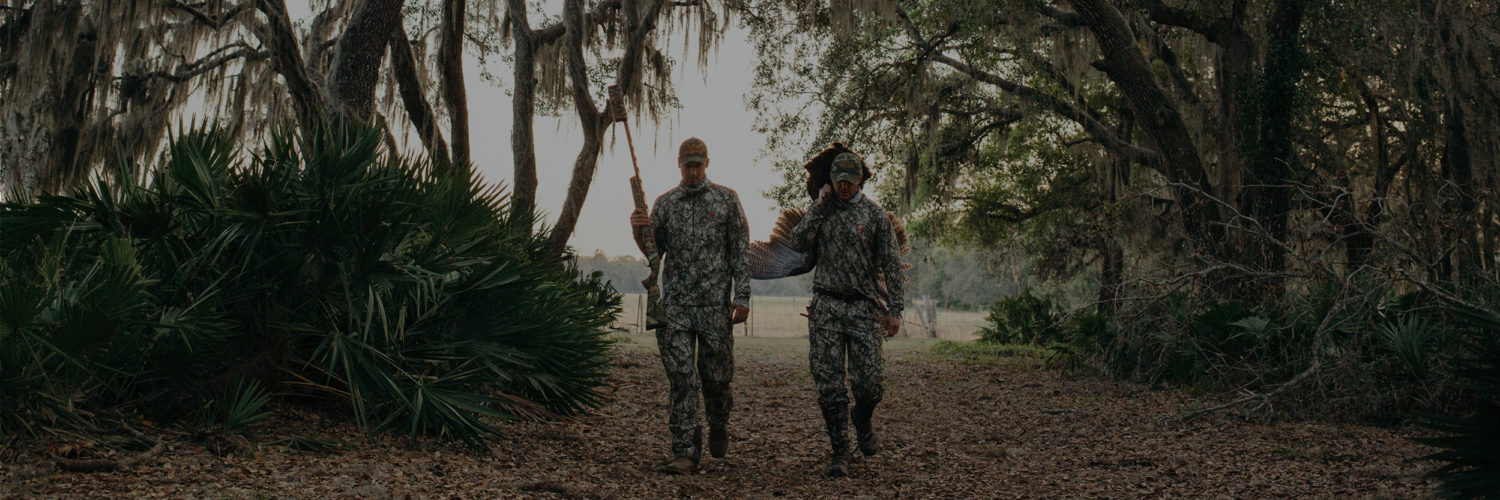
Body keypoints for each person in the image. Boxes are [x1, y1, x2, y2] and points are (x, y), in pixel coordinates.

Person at [630, 137, 751, 475]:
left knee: (716, 379)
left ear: (707, 163)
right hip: (677, 308)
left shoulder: (727, 200)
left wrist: (741, 297)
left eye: (698, 164)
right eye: (688, 164)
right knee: (682, 378)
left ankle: (719, 422)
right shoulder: (665, 204)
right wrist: (639, 231)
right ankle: (685, 451)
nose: (693, 170)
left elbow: (740, 250)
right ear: (679, 166)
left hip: (715, 308)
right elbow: (655, 254)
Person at [787, 151, 904, 477]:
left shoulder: (875, 217)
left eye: (849, 183)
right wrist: (818, 206)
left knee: (869, 384)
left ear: (859, 182)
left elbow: (892, 266)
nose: (843, 187)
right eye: (838, 181)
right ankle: (841, 451)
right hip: (826, 307)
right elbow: (797, 242)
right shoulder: (822, 210)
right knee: (829, 386)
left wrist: (894, 310)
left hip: (863, 309)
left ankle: (863, 419)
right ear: (831, 181)